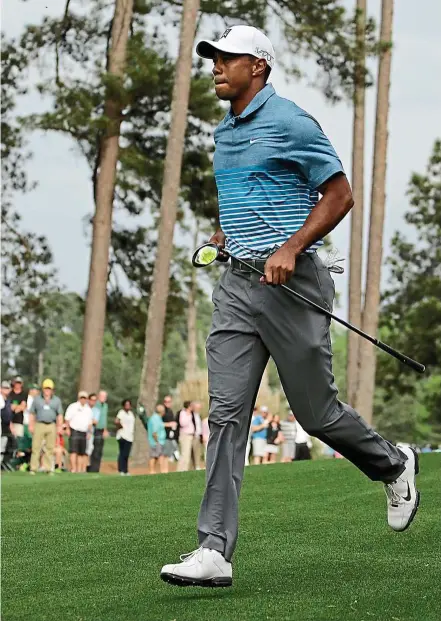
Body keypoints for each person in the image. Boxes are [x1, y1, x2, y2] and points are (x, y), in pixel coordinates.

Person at [160, 25, 419, 588]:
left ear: (258, 66)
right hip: (237, 284)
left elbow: (340, 193)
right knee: (227, 415)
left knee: (315, 413)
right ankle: (214, 549)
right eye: (213, 58)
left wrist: (291, 246)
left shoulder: (292, 122)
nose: (215, 67)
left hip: (292, 283)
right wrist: (231, 238)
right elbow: (252, 201)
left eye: (226, 59)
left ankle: (393, 464)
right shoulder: (223, 133)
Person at [29, 379, 63, 475]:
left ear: (52, 390)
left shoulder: (56, 400)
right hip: (39, 424)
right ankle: (33, 468)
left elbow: (59, 414)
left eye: (49, 388)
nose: (47, 390)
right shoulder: (37, 399)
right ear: (43, 389)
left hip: (51, 425)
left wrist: (59, 426)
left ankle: (48, 468)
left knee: (50, 448)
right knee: (36, 447)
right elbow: (32, 413)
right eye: (46, 388)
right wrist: (31, 424)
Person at [64, 391, 93, 473]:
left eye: (85, 398)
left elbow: (90, 422)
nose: (83, 400)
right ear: (79, 398)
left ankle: (80, 470)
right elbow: (67, 419)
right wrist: (67, 429)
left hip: (84, 432)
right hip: (74, 431)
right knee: (73, 451)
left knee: (81, 453)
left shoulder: (88, 409)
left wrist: (89, 432)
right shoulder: (73, 406)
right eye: (82, 398)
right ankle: (74, 468)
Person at [88, 390, 109, 473]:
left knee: (100, 450)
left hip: (101, 430)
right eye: (102, 396)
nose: (103, 398)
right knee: (95, 450)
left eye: (105, 397)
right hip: (95, 429)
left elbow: (105, 419)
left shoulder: (105, 406)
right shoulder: (95, 405)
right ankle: (92, 468)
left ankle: (97, 468)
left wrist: (105, 430)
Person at [115, 399, 135, 475]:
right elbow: (117, 421)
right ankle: (121, 469)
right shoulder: (121, 412)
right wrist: (121, 426)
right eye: (126, 405)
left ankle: (125, 469)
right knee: (122, 453)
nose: (128, 406)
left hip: (130, 436)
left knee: (126, 454)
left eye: (129, 405)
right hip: (122, 435)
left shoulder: (130, 413)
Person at [148, 404, 167, 474]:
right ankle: (158, 471)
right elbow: (154, 432)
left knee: (155, 456)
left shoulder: (158, 418)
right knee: (157, 456)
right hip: (156, 441)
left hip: (158, 441)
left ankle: (153, 471)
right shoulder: (155, 418)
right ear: (162, 411)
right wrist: (157, 441)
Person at [177, 401, 195, 472]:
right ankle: (181, 469)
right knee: (185, 454)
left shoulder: (190, 414)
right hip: (185, 436)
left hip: (190, 436)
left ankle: (185, 469)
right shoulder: (183, 413)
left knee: (187, 454)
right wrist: (188, 415)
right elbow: (182, 423)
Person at [1, 381, 14, 467]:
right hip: (1, 424)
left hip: (5, 426)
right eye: (4, 388)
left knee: (2, 447)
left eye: (7, 388)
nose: (6, 390)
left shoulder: (8, 400)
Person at [162, 395, 178, 463]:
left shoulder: (170, 411)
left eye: (169, 401)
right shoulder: (162, 411)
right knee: (165, 454)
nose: (167, 403)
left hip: (170, 435)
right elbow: (159, 423)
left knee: (171, 451)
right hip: (164, 435)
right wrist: (169, 424)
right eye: (166, 401)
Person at [190, 401, 203, 471]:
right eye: (197, 408)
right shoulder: (191, 415)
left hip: (198, 436)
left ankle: (197, 466)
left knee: (197, 452)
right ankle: (193, 467)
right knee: (192, 452)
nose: (198, 409)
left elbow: (200, 426)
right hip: (192, 435)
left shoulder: (198, 415)